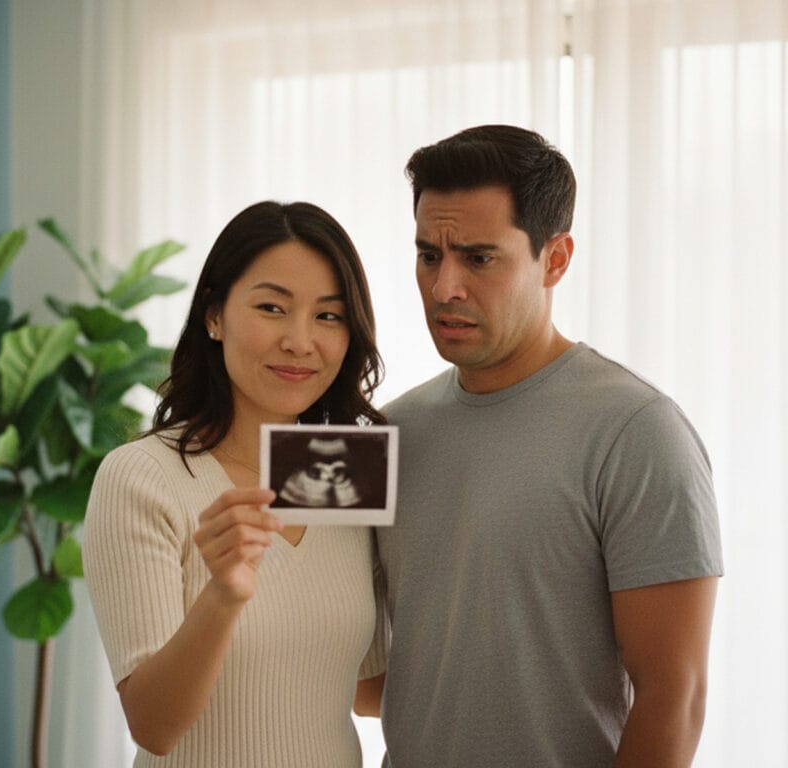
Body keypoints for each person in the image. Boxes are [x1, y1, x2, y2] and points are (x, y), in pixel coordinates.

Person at [373, 125, 724, 767]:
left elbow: (676, 696)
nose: (444, 287)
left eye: (478, 259)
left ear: (555, 259)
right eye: (428, 255)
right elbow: (370, 679)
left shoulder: (637, 431)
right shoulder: (390, 432)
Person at [83, 200, 389, 767]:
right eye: (272, 307)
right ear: (214, 316)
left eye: (328, 316)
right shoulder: (144, 478)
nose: (300, 341)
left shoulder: (342, 472)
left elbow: (366, 689)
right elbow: (153, 726)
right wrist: (223, 594)